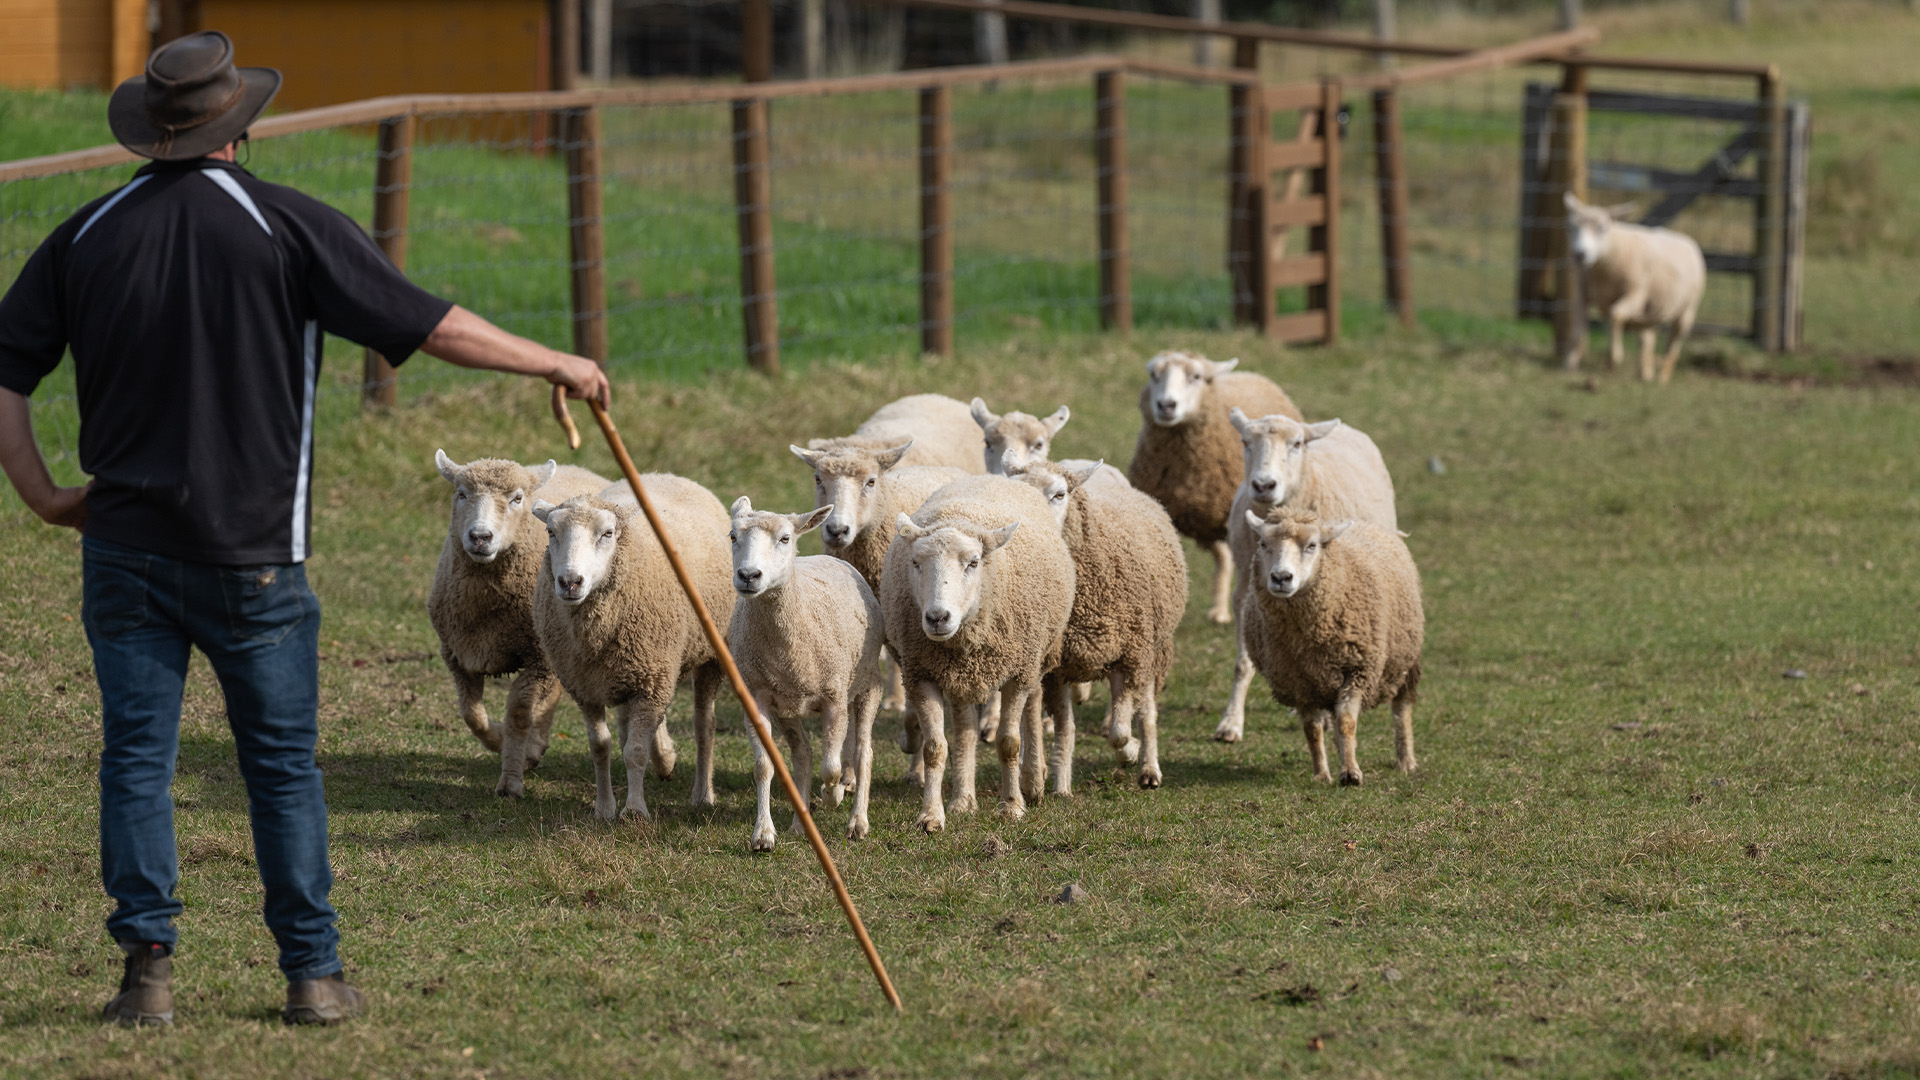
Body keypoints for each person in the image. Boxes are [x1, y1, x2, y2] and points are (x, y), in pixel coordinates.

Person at [0, 31, 610, 1027]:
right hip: (255, 562)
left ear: (151, 132)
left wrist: (39, 493)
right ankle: (312, 976)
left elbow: (6, 366)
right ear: (239, 130)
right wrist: (555, 362)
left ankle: (146, 976)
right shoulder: (286, 225)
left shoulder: (86, 234)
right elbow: (431, 325)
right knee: (279, 767)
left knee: (137, 760)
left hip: (124, 552)